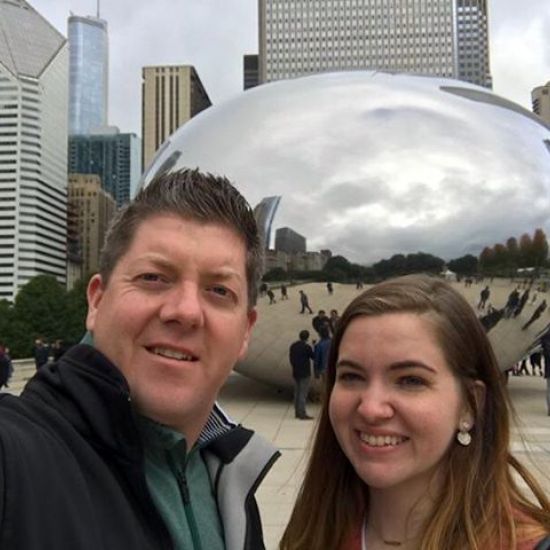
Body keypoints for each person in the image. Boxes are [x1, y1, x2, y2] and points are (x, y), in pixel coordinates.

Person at [0, 169, 279, 549]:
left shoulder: (230, 482)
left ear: (246, 330)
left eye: (218, 290)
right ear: (97, 300)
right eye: (153, 278)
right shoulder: (19, 461)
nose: (185, 311)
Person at [281, 274, 550, 550]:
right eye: (351, 376)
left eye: (411, 380)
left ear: (470, 404)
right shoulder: (313, 532)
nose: (371, 408)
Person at [288, 330, 314, 420]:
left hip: (296, 372)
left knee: (297, 392)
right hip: (305, 372)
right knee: (303, 394)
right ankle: (302, 413)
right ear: (307, 337)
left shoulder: (293, 346)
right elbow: (313, 357)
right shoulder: (307, 347)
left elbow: (291, 358)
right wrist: (314, 346)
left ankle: (297, 412)